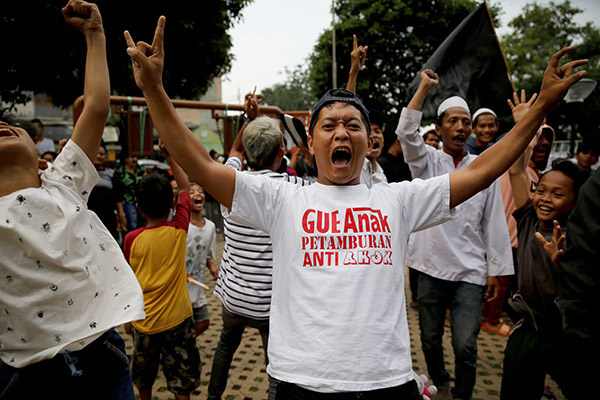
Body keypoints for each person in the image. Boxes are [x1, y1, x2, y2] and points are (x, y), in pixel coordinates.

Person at [124, 17, 586, 397]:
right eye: (329, 125)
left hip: (385, 381)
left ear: (367, 144)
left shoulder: (398, 198)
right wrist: (154, 89)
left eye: (353, 125)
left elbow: (482, 172)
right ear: (311, 141)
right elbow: (201, 167)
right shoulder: (282, 197)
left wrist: (543, 104)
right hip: (299, 380)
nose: (341, 132)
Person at [0, 2, 145, 398]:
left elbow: (96, 105)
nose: (4, 126)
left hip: (100, 353)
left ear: (39, 153)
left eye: (14, 127)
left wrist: (95, 36)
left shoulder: (61, 182)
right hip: (23, 370)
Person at [397, 70, 514, 400]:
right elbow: (406, 132)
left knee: (466, 344)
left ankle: (463, 394)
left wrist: (495, 271)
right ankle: (441, 384)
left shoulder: (482, 166)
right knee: (430, 340)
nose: (461, 127)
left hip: (470, 272)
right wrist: (423, 87)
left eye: (466, 122)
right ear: (439, 129)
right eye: (453, 122)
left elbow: (492, 223)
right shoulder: (427, 162)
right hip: (429, 267)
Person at [208, 93, 310, 400]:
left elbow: (236, 148)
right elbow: (328, 181)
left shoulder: (230, 181)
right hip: (269, 304)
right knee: (275, 363)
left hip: (234, 299)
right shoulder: (294, 189)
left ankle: (213, 397)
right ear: (282, 151)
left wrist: (249, 119)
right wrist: (306, 147)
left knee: (225, 347)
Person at [501, 127, 588, 398]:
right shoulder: (528, 220)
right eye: (541, 190)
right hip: (529, 326)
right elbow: (516, 171)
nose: (545, 199)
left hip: (565, 332)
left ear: (574, 203)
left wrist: (560, 264)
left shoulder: (576, 237)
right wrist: (525, 125)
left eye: (557, 194)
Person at [123, 141, 200, 400]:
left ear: (139, 208)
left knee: (144, 379)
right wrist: (170, 156)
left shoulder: (131, 239)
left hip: (144, 322)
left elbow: (128, 280)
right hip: (179, 320)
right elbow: (186, 187)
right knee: (182, 381)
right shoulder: (178, 230)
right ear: (171, 204)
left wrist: (126, 317)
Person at [186, 182, 218, 336]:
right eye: (191, 192)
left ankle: (184, 343)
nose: (197, 193)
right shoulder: (183, 227)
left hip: (198, 285)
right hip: (181, 286)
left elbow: (205, 252)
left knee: (203, 322)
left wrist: (212, 268)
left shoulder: (210, 226)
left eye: (200, 190)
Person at [88, 144, 119, 239]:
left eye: (101, 154)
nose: (98, 156)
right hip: (89, 214)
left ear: (106, 157)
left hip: (108, 215)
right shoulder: (85, 172)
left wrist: (120, 214)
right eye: (96, 153)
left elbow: (117, 195)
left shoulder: (111, 173)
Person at [113, 152, 144, 232]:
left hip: (141, 202)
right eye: (132, 157)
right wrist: (120, 212)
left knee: (142, 226)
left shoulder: (141, 170)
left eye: (136, 157)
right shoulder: (120, 172)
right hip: (127, 202)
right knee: (131, 226)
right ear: (126, 159)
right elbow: (117, 191)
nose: (135, 159)